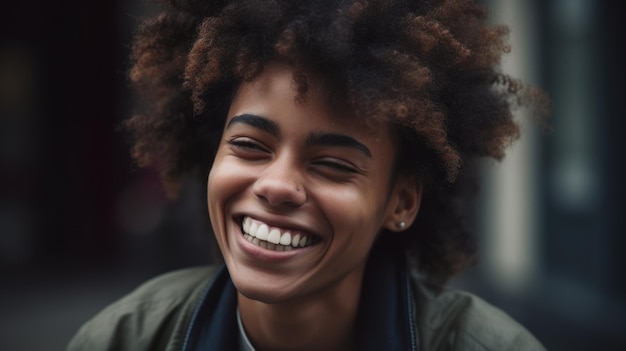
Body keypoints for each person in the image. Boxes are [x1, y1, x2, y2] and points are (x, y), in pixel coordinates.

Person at [68, 0, 549, 350]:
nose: (276, 186)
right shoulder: (125, 337)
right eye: (250, 146)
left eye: (333, 165)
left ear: (400, 202)